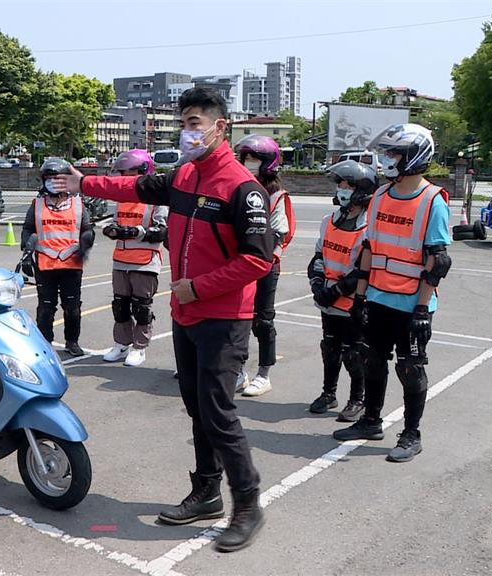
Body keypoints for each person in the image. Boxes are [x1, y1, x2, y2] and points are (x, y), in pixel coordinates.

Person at [53, 87, 274, 552]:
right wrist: (83, 183)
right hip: (186, 314)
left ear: (221, 127)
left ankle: (248, 505)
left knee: (218, 413)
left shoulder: (242, 189)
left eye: (196, 122)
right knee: (197, 408)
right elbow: (134, 185)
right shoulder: (184, 176)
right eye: (184, 122)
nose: (188, 131)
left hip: (223, 316)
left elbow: (258, 261)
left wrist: (199, 287)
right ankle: (207, 492)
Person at [333, 123, 452, 463]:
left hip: (412, 303)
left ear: (414, 157)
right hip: (378, 298)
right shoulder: (381, 196)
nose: (387, 160)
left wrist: (421, 311)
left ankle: (411, 434)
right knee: (371, 361)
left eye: (394, 154)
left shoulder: (432, 201)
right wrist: (359, 296)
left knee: (410, 368)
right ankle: (371, 420)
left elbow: (437, 261)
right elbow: (369, 248)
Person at [308, 160, 377, 421]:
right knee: (330, 348)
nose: (342, 190)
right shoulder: (330, 221)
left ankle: (357, 399)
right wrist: (316, 283)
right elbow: (318, 255)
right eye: (340, 184)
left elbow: (363, 269)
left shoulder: (368, 226)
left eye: (348, 185)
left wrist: (337, 289)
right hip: (327, 300)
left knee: (354, 353)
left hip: (353, 301)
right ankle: (329, 393)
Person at [232, 135, 295, 397]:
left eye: (255, 158)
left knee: (263, 320)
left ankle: (264, 373)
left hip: (265, 265)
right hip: (238, 264)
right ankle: (239, 371)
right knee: (239, 320)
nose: (249, 163)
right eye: (246, 158)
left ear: (268, 162)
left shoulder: (276, 195)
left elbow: (279, 232)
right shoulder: (238, 188)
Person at [20, 157, 94, 357]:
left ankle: (72, 341)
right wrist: (26, 254)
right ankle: (45, 342)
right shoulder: (37, 204)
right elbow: (28, 229)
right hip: (45, 265)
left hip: (71, 265)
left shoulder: (78, 205)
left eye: (58, 178)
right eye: (49, 178)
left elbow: (87, 230)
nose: (53, 181)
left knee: (72, 308)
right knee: (45, 308)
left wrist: (85, 246)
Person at [101, 150, 168, 367]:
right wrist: (112, 229)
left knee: (141, 307)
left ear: (142, 172)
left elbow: (161, 231)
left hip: (145, 262)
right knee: (120, 305)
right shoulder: (123, 198)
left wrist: (134, 232)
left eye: (129, 172)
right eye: (123, 172)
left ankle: (139, 347)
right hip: (120, 259)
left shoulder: (156, 200)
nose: (124, 176)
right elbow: (116, 221)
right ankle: (121, 344)